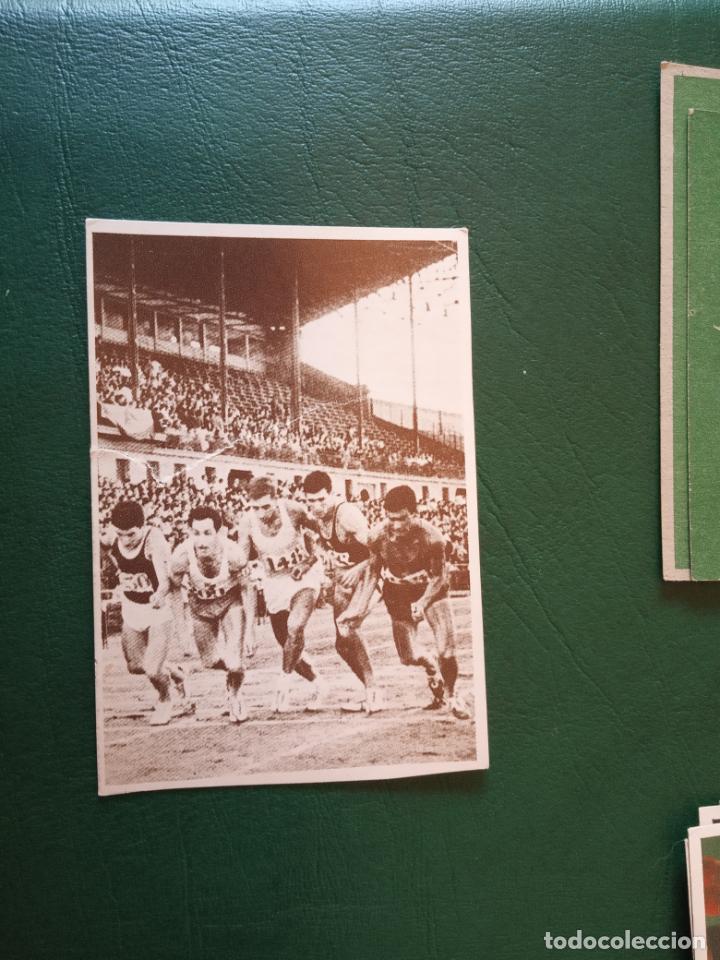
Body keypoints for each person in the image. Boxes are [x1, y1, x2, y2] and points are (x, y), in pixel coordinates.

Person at [368, 485, 470, 720]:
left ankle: (453, 695)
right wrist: (360, 607)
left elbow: (439, 577)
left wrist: (423, 601)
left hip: (431, 591)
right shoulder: (377, 536)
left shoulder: (432, 537)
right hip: (397, 592)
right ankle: (430, 665)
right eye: (390, 518)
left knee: (446, 648)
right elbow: (373, 573)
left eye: (401, 519)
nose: (395, 525)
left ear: (414, 513)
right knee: (408, 657)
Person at [235, 476, 324, 714]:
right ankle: (318, 683)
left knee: (295, 628)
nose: (261, 513)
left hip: (303, 578)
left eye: (266, 506)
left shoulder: (293, 511)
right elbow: (241, 562)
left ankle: (282, 686)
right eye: (255, 507)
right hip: (273, 584)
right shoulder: (247, 523)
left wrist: (308, 561)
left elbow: (325, 535)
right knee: (288, 644)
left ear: (277, 499)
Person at [102, 500, 190, 726]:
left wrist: (159, 595)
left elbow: (165, 581)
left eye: (131, 534)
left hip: (157, 609)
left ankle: (165, 700)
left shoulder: (154, 540)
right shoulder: (111, 537)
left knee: (152, 670)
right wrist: (113, 562)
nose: (126, 541)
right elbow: (103, 547)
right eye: (121, 535)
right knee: (135, 666)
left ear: (142, 527)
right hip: (131, 608)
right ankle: (176, 672)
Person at [303, 470, 381, 713]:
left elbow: (379, 552)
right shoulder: (316, 517)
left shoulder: (347, 514)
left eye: (320, 500)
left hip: (370, 573)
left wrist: (358, 569)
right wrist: (317, 560)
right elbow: (317, 542)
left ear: (332, 494)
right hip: (345, 579)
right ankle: (371, 689)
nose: (316, 506)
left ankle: (373, 692)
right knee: (341, 645)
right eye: (310, 501)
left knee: (349, 627)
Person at [169, 505, 252, 723]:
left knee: (234, 661)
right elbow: (174, 590)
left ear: (220, 532)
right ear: (189, 532)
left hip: (229, 603)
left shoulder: (234, 555)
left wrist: (250, 629)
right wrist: (181, 631)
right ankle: (233, 674)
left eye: (207, 533)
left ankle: (235, 694)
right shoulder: (181, 556)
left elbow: (247, 589)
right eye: (196, 533)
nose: (201, 540)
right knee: (210, 661)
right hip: (200, 608)